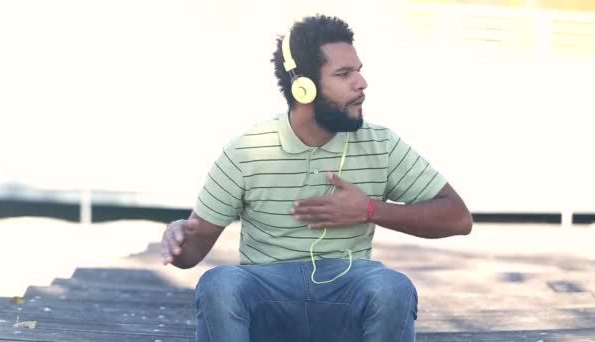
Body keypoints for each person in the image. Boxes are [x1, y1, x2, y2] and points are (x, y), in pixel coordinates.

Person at [161, 14, 472, 342]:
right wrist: (178, 237)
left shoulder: (381, 144)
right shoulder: (247, 151)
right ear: (303, 87)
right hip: (268, 302)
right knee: (219, 284)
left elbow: (458, 218)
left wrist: (368, 210)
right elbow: (191, 252)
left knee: (393, 287)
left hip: (345, 299)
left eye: (359, 70)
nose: (361, 83)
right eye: (344, 74)